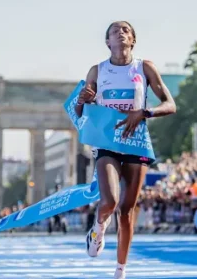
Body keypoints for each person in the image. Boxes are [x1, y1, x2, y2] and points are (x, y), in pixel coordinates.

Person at [75, 21, 176, 278]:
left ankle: (120, 270)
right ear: (108, 42)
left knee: (127, 209)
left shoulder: (145, 67)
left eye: (126, 31)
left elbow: (170, 104)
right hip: (107, 142)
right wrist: (81, 100)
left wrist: (144, 112)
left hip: (136, 141)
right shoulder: (97, 71)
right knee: (108, 201)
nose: (120, 34)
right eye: (114, 32)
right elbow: (81, 115)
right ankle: (98, 229)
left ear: (133, 40)